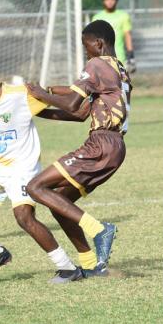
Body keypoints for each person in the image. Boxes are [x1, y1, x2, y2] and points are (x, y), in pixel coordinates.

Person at [0, 57, 84, 284]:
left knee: (24, 218)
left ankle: (68, 268)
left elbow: (67, 97)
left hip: (22, 169)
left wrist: (90, 95)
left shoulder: (20, 95)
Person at [25, 20, 132, 275]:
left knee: (35, 187)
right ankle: (88, 264)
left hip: (102, 144)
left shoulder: (97, 64)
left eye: (86, 47)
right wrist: (37, 112)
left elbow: (72, 103)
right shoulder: (119, 68)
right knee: (59, 202)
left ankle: (99, 229)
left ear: (98, 43)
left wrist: (40, 93)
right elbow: (81, 113)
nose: (86, 53)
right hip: (115, 146)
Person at [92, 0, 136, 73]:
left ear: (116, 1)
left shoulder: (123, 16)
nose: (110, 2)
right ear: (103, 1)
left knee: (119, 84)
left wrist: (131, 54)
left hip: (119, 57)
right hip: (102, 58)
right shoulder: (97, 17)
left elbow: (127, 35)